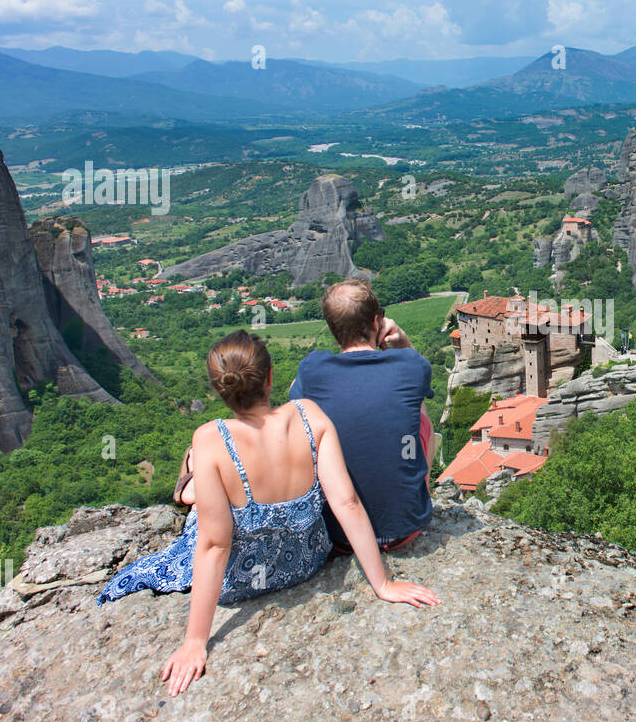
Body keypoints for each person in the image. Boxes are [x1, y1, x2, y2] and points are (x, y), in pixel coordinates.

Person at [99, 330, 440, 696]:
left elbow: (214, 545)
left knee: (198, 465)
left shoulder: (210, 437)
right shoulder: (308, 415)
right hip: (303, 563)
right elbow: (347, 503)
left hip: (241, 581)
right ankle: (192, 483)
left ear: (219, 389)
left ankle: (190, 483)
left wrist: (195, 642)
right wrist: (383, 584)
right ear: (271, 377)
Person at [288, 279, 434, 554]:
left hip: (338, 537)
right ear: (378, 323)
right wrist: (402, 341)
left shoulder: (312, 369)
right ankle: (417, 491)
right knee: (420, 414)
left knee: (310, 420)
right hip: (406, 529)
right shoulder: (410, 365)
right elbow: (418, 378)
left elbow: (292, 397)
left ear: (332, 329)